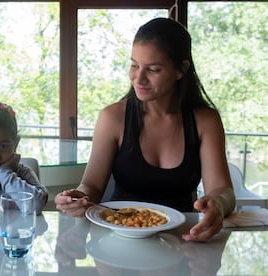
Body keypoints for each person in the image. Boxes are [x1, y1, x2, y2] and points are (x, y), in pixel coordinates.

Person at [54, 18, 235, 242]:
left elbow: (222, 190)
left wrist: (217, 204)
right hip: (118, 237)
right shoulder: (113, 118)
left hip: (182, 241)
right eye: (134, 65)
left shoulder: (205, 120)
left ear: (181, 69)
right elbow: (91, 186)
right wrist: (78, 198)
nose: (138, 78)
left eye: (153, 69)